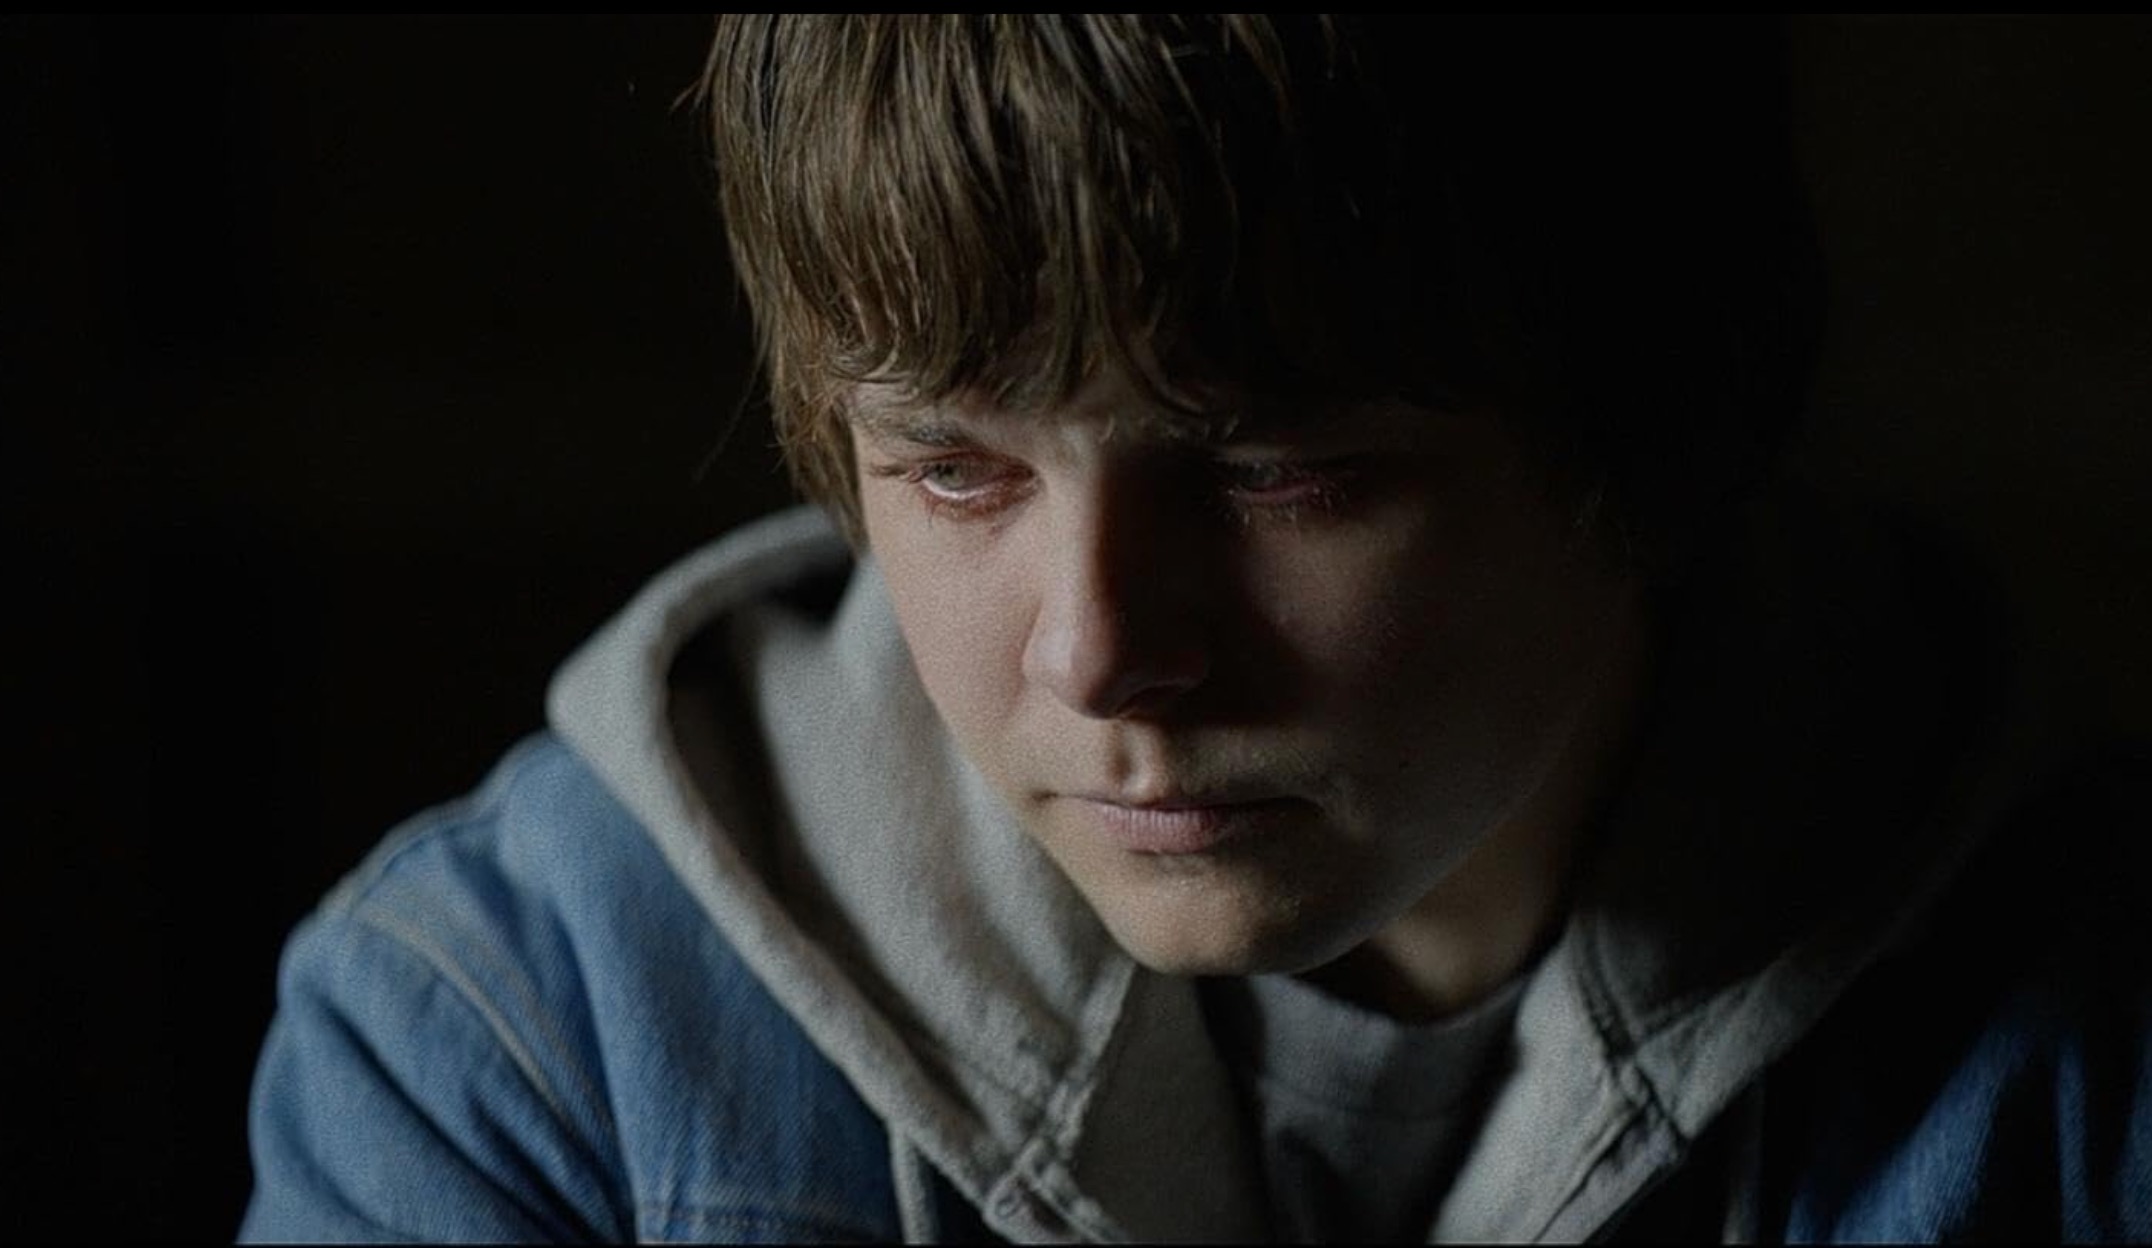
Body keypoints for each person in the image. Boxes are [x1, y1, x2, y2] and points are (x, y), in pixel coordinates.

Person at [239, 15, 2149, 1242]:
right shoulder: (510, 1043)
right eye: (954, 470)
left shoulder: (2092, 1045)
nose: (1093, 653)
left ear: (1655, 421)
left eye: (1275, 473)